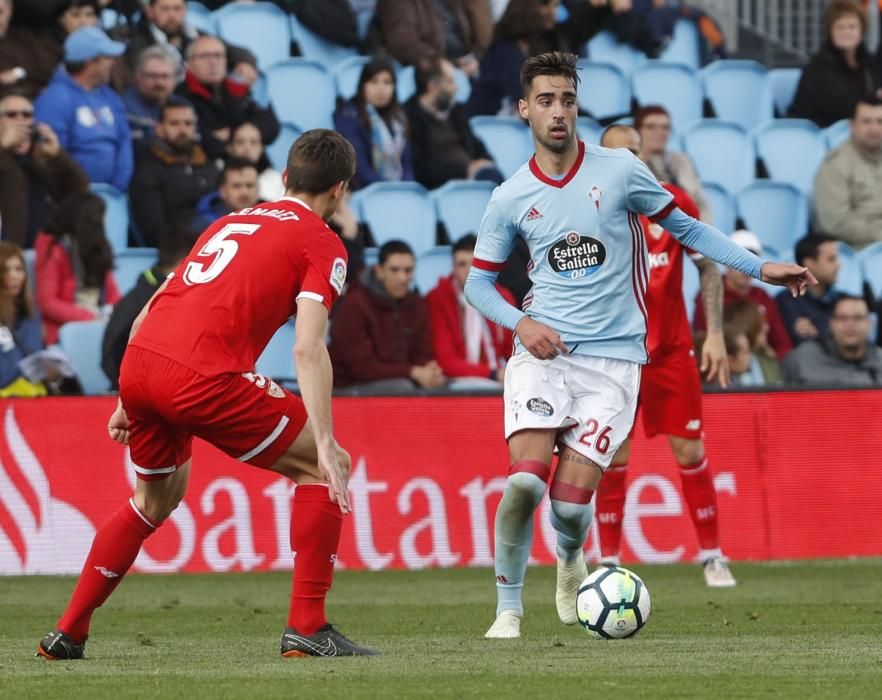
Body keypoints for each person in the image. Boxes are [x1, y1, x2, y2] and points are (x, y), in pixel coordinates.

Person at [463, 51, 814, 640]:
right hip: (543, 354)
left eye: (567, 100)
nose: (558, 112)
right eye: (545, 100)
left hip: (616, 362)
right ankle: (508, 609)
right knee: (524, 481)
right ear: (523, 109)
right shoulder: (509, 196)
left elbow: (688, 230)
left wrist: (759, 267)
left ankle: (572, 558)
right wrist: (519, 324)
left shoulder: (621, 171)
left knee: (571, 509)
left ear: (578, 107)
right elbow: (478, 282)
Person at [36, 128, 379, 661]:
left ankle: (68, 632)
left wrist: (129, 396)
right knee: (323, 464)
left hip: (142, 362)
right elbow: (309, 349)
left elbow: (152, 307)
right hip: (200, 375)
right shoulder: (322, 241)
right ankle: (307, 627)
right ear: (340, 191)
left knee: (154, 500)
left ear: (284, 178)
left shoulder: (229, 220)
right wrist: (327, 445)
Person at [593, 124, 735, 588]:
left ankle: (714, 555)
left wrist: (714, 333)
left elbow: (707, 264)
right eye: (620, 156)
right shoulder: (590, 210)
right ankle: (608, 563)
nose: (632, 162)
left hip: (671, 350)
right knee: (612, 454)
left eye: (636, 153)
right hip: (615, 355)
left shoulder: (672, 202)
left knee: (690, 449)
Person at [467, 0, 623, 117]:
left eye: (555, 6)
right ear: (527, 7)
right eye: (548, 6)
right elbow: (530, 98)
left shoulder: (549, 40)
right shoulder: (504, 50)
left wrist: (603, 7)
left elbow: (580, 27)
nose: (553, 12)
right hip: (497, 128)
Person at [330, 239, 445, 392]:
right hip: (348, 387)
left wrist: (429, 371)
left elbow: (422, 353)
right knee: (403, 389)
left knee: (444, 387)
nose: (402, 278)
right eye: (395, 270)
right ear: (379, 270)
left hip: (399, 379)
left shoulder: (417, 304)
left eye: (408, 270)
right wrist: (413, 372)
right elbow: (362, 369)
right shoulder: (354, 305)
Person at [34, 25, 134, 192]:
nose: (114, 62)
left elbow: (124, 142)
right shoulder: (54, 99)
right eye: (108, 57)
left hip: (113, 195)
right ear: (90, 62)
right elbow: (54, 154)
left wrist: (118, 187)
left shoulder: (111, 97)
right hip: (72, 197)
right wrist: (78, 189)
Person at [101, 233, 193, 390]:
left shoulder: (141, 293)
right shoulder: (147, 302)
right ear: (183, 263)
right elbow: (113, 359)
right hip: (138, 394)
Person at [0, 91, 89, 249]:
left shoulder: (41, 156)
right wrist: (3, 148)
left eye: (26, 114)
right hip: (8, 254)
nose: (20, 119)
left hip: (44, 252)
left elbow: (79, 190)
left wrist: (57, 157)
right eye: (11, 114)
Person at [130, 96, 220, 248]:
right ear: (159, 128)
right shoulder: (148, 169)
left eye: (188, 123)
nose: (182, 130)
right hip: (178, 252)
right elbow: (154, 230)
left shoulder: (207, 163)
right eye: (174, 123)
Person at [34, 192, 121, 345]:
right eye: (102, 217)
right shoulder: (55, 250)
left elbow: (113, 296)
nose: (105, 223)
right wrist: (89, 318)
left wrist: (116, 315)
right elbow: (47, 302)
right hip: (65, 330)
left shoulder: (98, 249)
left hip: (100, 323)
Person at [426, 234, 513, 384]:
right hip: (458, 380)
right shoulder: (438, 298)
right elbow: (446, 361)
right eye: (462, 264)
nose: (469, 271)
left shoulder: (503, 297)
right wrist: (492, 374)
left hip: (499, 376)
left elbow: (513, 351)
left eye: (475, 265)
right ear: (452, 267)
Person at [693, 230, 794, 360]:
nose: (745, 268)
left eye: (751, 261)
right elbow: (702, 341)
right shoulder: (710, 293)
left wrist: (770, 357)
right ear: (724, 261)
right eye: (739, 261)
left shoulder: (761, 296)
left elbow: (783, 345)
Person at [175, 35, 280, 161]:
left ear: (226, 61)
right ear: (190, 63)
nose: (213, 62)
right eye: (205, 56)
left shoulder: (239, 87)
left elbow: (272, 125)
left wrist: (248, 133)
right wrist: (234, 145)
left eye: (218, 56)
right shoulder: (179, 96)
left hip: (253, 164)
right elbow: (192, 138)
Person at [404, 56, 502, 189]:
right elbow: (422, 168)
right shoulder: (409, 117)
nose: (456, 88)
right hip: (442, 188)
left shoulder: (456, 112)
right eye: (450, 82)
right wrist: (465, 169)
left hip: (472, 180)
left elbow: (479, 148)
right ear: (433, 87)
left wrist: (484, 164)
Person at [789, 0, 882, 128]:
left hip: (861, 131)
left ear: (862, 30)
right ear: (830, 31)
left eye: (852, 26)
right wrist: (875, 98)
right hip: (820, 132)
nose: (846, 32)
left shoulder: (868, 62)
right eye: (840, 27)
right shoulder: (818, 67)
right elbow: (839, 107)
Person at [332, 57, 414, 191]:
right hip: (366, 191)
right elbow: (359, 167)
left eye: (387, 82)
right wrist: (388, 189)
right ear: (362, 85)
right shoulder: (348, 116)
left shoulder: (399, 119)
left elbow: (407, 164)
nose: (381, 88)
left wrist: (405, 189)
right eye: (374, 81)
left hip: (398, 191)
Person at [812, 96, 882, 250]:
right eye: (866, 121)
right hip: (857, 250)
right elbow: (836, 222)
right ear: (852, 125)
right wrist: (879, 234)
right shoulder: (835, 164)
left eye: (879, 121)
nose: (874, 129)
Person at [0, 242, 62, 397]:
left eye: (19, 269)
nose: (14, 275)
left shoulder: (32, 313)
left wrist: (53, 375)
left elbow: (37, 355)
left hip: (34, 398)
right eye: (6, 270)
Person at [635, 105, 713, 224]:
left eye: (665, 127)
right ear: (637, 130)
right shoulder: (632, 163)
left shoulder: (682, 160)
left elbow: (700, 203)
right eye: (651, 127)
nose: (659, 132)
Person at [782, 295, 882, 387]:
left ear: (870, 323)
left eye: (858, 318)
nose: (850, 324)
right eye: (843, 318)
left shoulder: (879, 358)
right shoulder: (800, 359)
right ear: (831, 323)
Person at [372, 0, 493, 76]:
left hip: (463, 63)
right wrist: (440, 63)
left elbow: (477, 29)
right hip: (426, 69)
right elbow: (404, 44)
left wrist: (477, 57)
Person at [777, 234, 842, 345]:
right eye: (831, 259)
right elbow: (802, 343)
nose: (839, 265)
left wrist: (818, 335)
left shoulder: (842, 300)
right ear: (809, 263)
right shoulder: (788, 301)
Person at [0, 0, 65, 100]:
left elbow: (50, 68)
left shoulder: (26, 39)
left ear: (10, 11)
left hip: (33, 101)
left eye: (0, 12)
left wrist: (19, 72)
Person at [122, 45, 179, 151]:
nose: (159, 82)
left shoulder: (182, 105)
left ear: (175, 78)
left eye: (165, 76)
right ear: (138, 77)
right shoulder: (124, 106)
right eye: (153, 76)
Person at [723, 298, 781, 386]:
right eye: (761, 323)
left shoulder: (768, 359)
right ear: (747, 324)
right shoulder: (726, 365)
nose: (767, 327)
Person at [193, 158, 260, 230]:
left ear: (258, 189)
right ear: (223, 191)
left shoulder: (272, 215)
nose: (244, 192)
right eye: (236, 186)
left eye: (250, 185)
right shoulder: (205, 226)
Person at [227, 121, 284, 201]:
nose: (247, 148)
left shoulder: (276, 180)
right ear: (230, 147)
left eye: (253, 142)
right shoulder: (218, 176)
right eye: (240, 142)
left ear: (262, 148)